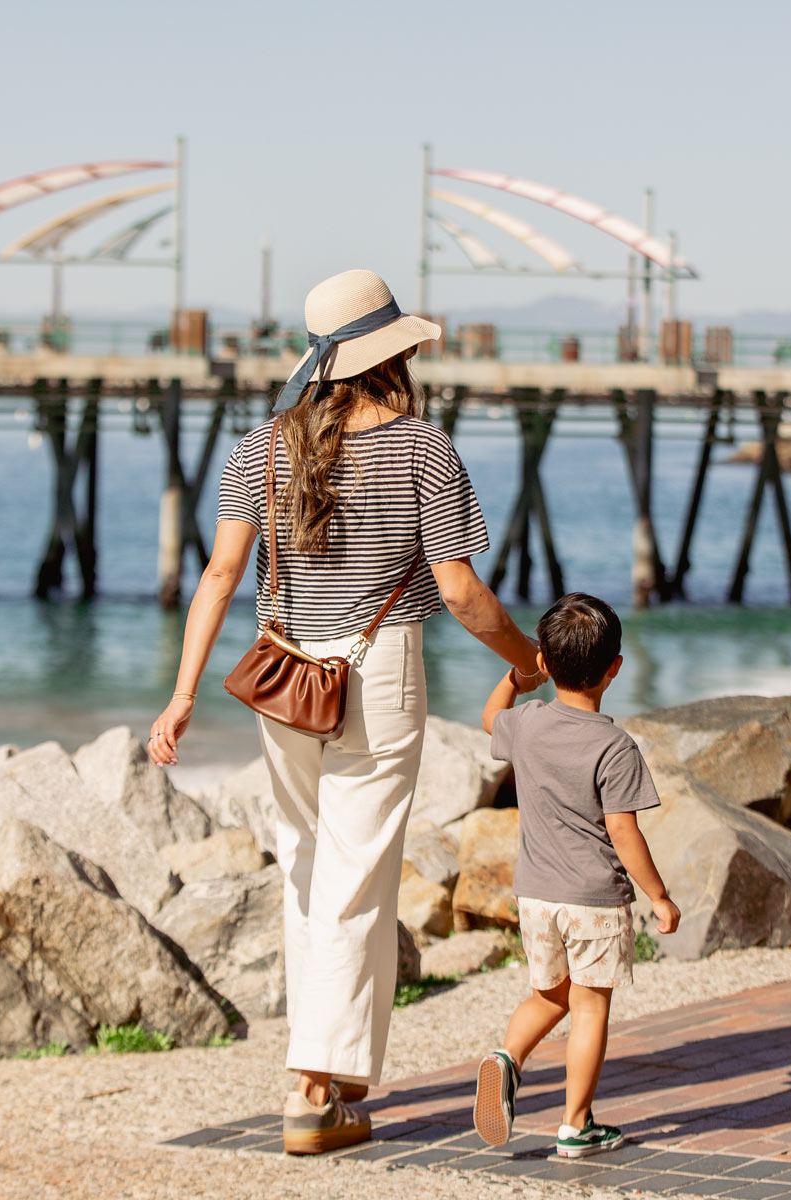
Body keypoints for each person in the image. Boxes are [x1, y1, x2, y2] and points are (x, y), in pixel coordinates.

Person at [148, 269, 543, 1154]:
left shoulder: (260, 449)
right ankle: (311, 1087)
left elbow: (216, 578)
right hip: (379, 673)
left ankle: (337, 1069)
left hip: (281, 678)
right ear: (392, 354)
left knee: (308, 868)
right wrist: (528, 659)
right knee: (357, 878)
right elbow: (463, 593)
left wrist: (179, 698)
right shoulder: (422, 449)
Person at [473, 592, 680, 1159]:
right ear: (614, 669)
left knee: (548, 995)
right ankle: (575, 1124)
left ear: (544, 661)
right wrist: (658, 896)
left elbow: (490, 718)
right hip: (593, 900)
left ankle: (506, 1059)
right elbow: (624, 832)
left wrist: (515, 681)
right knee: (590, 1007)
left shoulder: (529, 723)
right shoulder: (615, 746)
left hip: (536, 895)